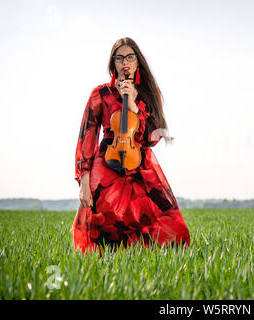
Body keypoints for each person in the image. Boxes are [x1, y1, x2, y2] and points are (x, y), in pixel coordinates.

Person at [71, 37, 191, 256]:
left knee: (170, 224)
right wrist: (84, 180)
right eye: (119, 58)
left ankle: (155, 267)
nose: (124, 62)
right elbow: (86, 137)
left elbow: (153, 138)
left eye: (129, 57)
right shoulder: (100, 94)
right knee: (104, 225)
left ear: (137, 61)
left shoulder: (148, 92)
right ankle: (108, 273)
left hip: (141, 161)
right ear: (113, 63)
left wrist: (134, 105)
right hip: (108, 160)